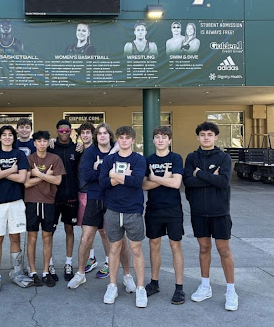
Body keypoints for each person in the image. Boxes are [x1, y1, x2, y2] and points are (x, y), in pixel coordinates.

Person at [68, 123, 134, 292]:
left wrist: (100, 168)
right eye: (99, 134)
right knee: (86, 237)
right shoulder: (90, 152)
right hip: (95, 198)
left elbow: (126, 173)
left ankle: (127, 275)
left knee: (119, 241)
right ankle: (80, 274)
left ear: (110, 136)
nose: (102, 136)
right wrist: (107, 171)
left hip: (115, 199)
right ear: (96, 137)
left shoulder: (119, 150)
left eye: (105, 133)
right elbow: (87, 175)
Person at [183, 122, 238, 311]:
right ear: (198, 137)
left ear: (215, 137)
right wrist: (208, 177)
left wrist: (200, 174)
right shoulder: (191, 157)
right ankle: (205, 286)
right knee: (204, 248)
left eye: (209, 134)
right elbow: (188, 181)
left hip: (220, 212)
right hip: (198, 212)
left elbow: (223, 181)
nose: (206, 137)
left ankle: (231, 290)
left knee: (224, 250)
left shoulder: (223, 157)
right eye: (202, 134)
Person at [99, 126, 148, 307]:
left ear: (133, 140)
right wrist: (120, 176)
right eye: (121, 137)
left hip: (133, 210)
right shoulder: (109, 159)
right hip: (112, 210)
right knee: (114, 249)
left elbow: (137, 182)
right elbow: (103, 183)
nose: (124, 140)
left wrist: (115, 175)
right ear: (117, 140)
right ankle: (112, 285)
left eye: (128, 138)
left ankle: (141, 288)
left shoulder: (139, 159)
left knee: (136, 250)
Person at [0, 125, 33, 293]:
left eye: (10, 135)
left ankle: (17, 272)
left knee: (15, 238)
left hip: (15, 202)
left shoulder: (19, 154)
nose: (7, 137)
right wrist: (12, 169)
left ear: (14, 138)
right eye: (4, 135)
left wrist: (5, 171)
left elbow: (22, 178)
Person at [142, 126, 185, 305]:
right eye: (157, 137)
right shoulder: (148, 160)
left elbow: (176, 183)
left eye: (164, 137)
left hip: (173, 209)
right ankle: (154, 282)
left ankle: (179, 287)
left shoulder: (175, 158)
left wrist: (155, 179)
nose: (160, 140)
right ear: (153, 140)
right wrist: (164, 179)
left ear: (169, 140)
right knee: (154, 245)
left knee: (175, 246)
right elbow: (143, 185)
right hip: (153, 208)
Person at [24, 131, 66, 287]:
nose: (42, 143)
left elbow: (57, 180)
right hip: (31, 202)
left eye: (44, 141)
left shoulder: (55, 159)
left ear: (48, 143)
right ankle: (33, 272)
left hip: (49, 202)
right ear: (34, 143)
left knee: (47, 237)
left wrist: (38, 174)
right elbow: (26, 183)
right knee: (32, 238)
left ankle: (46, 271)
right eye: (39, 141)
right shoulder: (29, 159)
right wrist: (45, 175)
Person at [48, 119, 82, 281]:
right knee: (50, 232)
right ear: (57, 131)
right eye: (61, 131)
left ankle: (68, 263)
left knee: (70, 230)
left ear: (71, 131)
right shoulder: (50, 147)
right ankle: (50, 263)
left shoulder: (77, 149)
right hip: (52, 197)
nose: (64, 133)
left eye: (67, 131)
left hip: (71, 196)